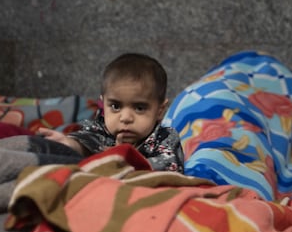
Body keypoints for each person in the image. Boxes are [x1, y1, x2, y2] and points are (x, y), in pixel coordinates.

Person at [38, 53, 184, 172]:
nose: (125, 118)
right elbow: (85, 141)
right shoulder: (101, 129)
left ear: (160, 110)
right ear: (103, 104)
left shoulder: (165, 137)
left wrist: (127, 157)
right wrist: (68, 143)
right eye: (115, 106)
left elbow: (170, 167)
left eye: (139, 108)